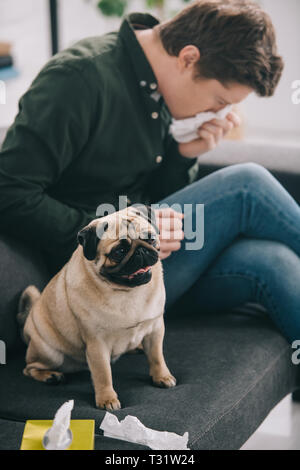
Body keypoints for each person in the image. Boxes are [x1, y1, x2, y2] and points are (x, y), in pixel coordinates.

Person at [1, 1, 299, 343]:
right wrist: (126, 231)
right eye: (219, 99)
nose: (219, 112)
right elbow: (8, 192)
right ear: (188, 58)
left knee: (275, 262)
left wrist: (183, 155)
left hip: (144, 269)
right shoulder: (78, 79)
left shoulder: (158, 87)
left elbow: (153, 199)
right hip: (93, 277)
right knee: (247, 185)